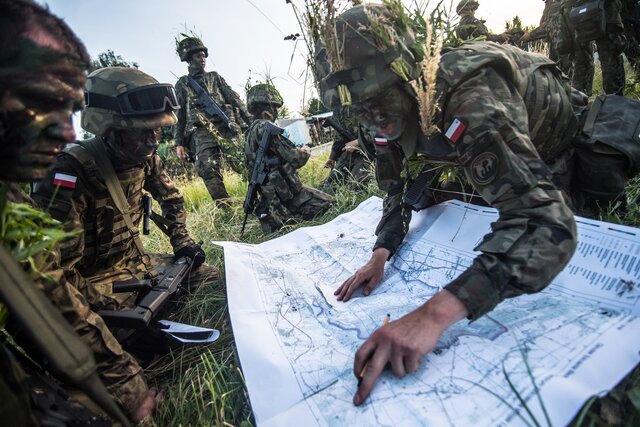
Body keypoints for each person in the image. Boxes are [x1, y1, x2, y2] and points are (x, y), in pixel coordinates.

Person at [316, 3, 638, 406]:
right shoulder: (377, 118)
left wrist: (431, 317)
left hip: (557, 141)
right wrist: (381, 253)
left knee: (576, 212)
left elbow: (545, 222)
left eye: (377, 100)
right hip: (483, 143)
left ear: (410, 77)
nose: (372, 118)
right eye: (356, 110)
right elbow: (395, 189)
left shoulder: (469, 94)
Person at [0, 0, 156, 422]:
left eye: (68, 109)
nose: (67, 131)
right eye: (37, 100)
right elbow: (57, 278)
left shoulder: (8, 196)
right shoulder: (68, 171)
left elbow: (40, 280)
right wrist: (119, 373)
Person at [33, 67, 213, 312]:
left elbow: (171, 198)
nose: (154, 140)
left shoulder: (145, 157)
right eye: (142, 131)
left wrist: (182, 241)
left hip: (136, 263)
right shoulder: (69, 172)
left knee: (210, 279)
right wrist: (108, 310)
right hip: (89, 282)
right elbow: (58, 270)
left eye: (158, 129)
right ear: (109, 130)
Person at [244, 83, 334, 233]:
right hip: (288, 196)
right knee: (330, 203)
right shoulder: (267, 128)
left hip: (272, 198)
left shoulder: (250, 132)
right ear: (268, 107)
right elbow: (295, 159)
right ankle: (292, 215)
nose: (276, 111)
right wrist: (305, 151)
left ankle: (280, 219)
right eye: (275, 107)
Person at [174, 36, 252, 205]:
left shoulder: (215, 77)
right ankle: (225, 208)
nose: (202, 60)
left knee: (244, 162)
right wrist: (178, 142)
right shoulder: (182, 84)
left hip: (226, 126)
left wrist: (250, 120)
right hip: (202, 131)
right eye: (197, 56)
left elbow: (233, 99)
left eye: (203, 56)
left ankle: (261, 198)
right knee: (208, 170)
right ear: (188, 59)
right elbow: (180, 114)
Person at [562, 0, 626, 95]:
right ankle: (614, 99)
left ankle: (579, 99)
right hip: (601, 8)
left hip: (578, 11)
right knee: (610, 53)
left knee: (582, 59)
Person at [520, 0, 573, 76]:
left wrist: (530, 35)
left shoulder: (555, 3)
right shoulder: (549, 3)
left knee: (568, 79)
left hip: (566, 51)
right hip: (558, 48)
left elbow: (549, 25)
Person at [321, 117, 373, 191]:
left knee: (354, 189)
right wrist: (333, 157)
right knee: (327, 186)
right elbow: (338, 138)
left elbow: (382, 132)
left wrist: (358, 142)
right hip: (347, 154)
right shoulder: (340, 108)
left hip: (367, 156)